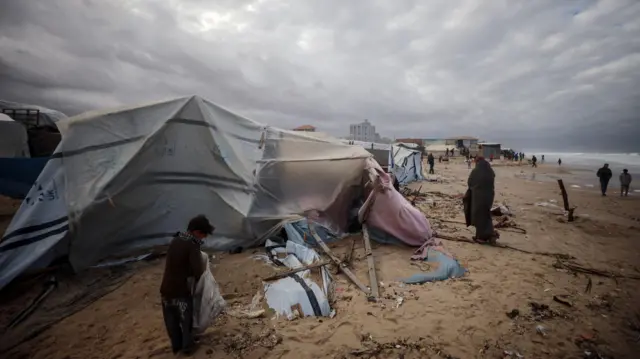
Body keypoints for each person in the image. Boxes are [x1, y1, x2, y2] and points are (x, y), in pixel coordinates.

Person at [160, 215, 214, 355]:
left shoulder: (176, 240)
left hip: (166, 290)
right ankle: (187, 348)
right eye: (204, 234)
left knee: (172, 322)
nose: (204, 237)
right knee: (186, 321)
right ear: (196, 231)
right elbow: (198, 270)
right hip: (180, 290)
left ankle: (176, 347)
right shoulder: (192, 244)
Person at [463, 157, 499, 244]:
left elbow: (470, 182)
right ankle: (490, 234)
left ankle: (482, 237)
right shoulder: (490, 171)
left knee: (479, 216)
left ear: (477, 162)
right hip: (489, 196)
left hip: (478, 197)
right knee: (486, 214)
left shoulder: (476, 171)